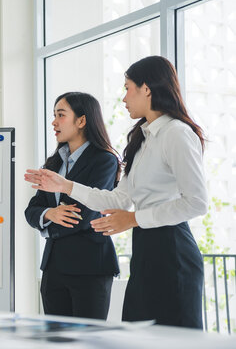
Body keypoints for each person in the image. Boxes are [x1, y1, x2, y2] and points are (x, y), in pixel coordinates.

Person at [25, 56, 207, 329]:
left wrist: (133, 219)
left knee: (175, 339)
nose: (124, 98)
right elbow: (118, 198)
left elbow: (196, 203)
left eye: (127, 87)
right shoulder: (143, 139)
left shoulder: (177, 133)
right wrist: (65, 186)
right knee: (139, 338)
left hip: (174, 249)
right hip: (145, 248)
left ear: (146, 89)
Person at [24, 92, 120, 320]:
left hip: (89, 266)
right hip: (53, 267)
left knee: (88, 341)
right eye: (54, 115)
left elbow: (83, 215)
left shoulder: (104, 161)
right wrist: (51, 213)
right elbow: (32, 210)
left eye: (60, 115)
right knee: (55, 342)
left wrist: (48, 223)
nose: (54, 122)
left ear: (81, 121)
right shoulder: (54, 162)